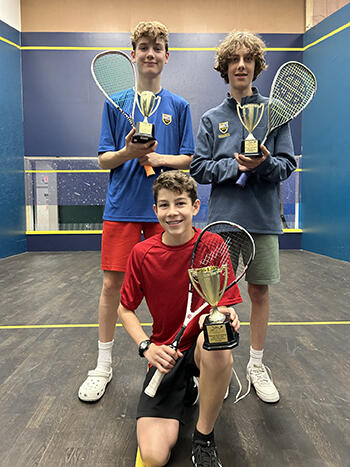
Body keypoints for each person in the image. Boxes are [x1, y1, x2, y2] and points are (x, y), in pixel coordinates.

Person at [78, 21, 195, 402]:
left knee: (175, 288)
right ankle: (103, 365)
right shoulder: (116, 104)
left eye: (157, 47)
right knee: (113, 286)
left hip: (166, 212)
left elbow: (189, 159)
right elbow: (103, 160)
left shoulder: (179, 106)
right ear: (133, 55)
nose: (150, 53)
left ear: (166, 55)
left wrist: (159, 158)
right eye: (143, 46)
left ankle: (179, 363)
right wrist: (128, 153)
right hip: (122, 209)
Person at [190, 30, 296, 404]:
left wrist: (264, 164)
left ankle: (256, 364)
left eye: (247, 59)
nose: (240, 65)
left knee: (259, 292)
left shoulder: (276, 113)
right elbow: (199, 169)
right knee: (214, 299)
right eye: (233, 60)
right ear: (224, 67)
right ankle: (212, 363)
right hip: (222, 222)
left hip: (263, 219)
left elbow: (287, 165)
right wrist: (231, 165)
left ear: (256, 66)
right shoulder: (210, 119)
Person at [118, 170, 242, 467]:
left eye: (180, 203)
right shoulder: (142, 253)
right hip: (165, 354)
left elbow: (224, 304)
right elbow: (125, 309)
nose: (172, 212)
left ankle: (204, 437)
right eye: (164, 205)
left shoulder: (212, 245)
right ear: (155, 210)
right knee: (153, 456)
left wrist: (227, 316)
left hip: (200, 349)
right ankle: (189, 388)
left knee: (218, 343)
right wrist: (146, 346)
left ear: (195, 207)